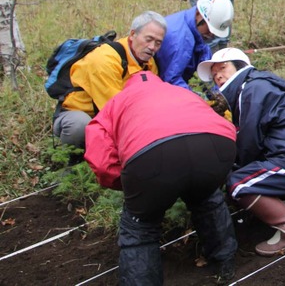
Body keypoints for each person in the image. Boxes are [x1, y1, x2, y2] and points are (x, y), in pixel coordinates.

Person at [85, 72, 237, 285]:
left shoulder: (116, 103)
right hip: (218, 143)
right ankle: (225, 265)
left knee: (140, 228)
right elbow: (213, 117)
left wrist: (131, 185)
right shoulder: (182, 92)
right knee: (207, 199)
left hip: (150, 154)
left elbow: (101, 160)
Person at [195, 48, 285, 257]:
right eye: (214, 73)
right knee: (264, 163)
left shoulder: (250, 90)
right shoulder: (262, 85)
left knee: (239, 182)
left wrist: (229, 167)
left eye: (222, 68)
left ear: (240, 66)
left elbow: (249, 142)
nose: (218, 76)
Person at [53, 11, 166, 148]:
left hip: (118, 112)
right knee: (79, 127)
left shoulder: (148, 62)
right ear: (132, 35)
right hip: (83, 114)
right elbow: (114, 111)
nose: (152, 47)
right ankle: (71, 159)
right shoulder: (104, 60)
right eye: (148, 39)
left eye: (158, 43)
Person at [154, 0, 234, 90]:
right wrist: (196, 99)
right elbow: (171, 81)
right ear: (198, 15)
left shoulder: (195, 29)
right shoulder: (179, 40)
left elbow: (205, 59)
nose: (211, 35)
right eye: (210, 29)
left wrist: (216, 93)